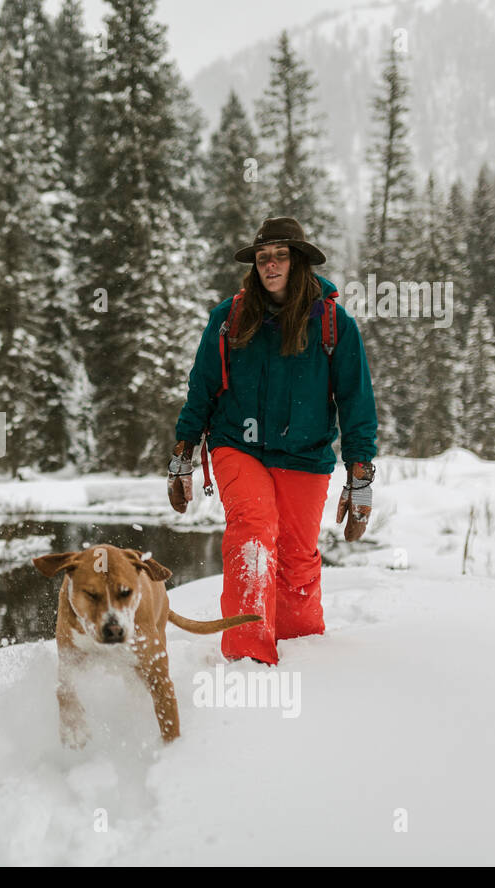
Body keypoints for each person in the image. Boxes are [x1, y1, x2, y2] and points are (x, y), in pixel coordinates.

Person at [168, 217, 378, 665]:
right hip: (236, 446)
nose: (271, 264)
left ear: (298, 261)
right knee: (254, 529)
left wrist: (359, 476)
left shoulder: (333, 323)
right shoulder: (230, 318)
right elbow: (202, 386)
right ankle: (248, 657)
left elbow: (356, 402)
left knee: (297, 560)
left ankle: (302, 650)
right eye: (263, 257)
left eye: (280, 255)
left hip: (305, 454)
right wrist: (183, 453)